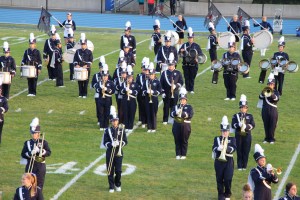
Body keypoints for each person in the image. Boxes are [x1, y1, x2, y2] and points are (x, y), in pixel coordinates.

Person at [21, 117, 51, 189]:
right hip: (30, 166)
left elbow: (49, 152)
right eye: (32, 133)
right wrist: (30, 153)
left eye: (35, 133)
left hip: (40, 166)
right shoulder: (27, 143)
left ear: (38, 133)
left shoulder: (43, 142)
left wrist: (41, 151)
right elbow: (23, 154)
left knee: (38, 186)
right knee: (28, 185)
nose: (33, 135)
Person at [103, 106, 128, 193]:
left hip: (118, 151)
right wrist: (111, 144)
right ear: (111, 121)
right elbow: (105, 142)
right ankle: (111, 186)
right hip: (110, 152)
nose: (115, 122)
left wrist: (119, 144)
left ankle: (117, 184)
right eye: (113, 120)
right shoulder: (107, 131)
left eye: (116, 120)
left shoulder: (121, 129)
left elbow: (125, 141)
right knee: (110, 170)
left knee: (118, 170)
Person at [212, 116, 236, 200]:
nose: (225, 133)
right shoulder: (217, 139)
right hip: (219, 161)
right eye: (223, 131)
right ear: (221, 131)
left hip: (229, 160)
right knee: (219, 178)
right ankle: (221, 194)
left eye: (226, 131)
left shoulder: (232, 139)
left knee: (228, 178)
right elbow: (214, 148)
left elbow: (233, 149)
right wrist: (218, 148)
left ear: (229, 131)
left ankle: (227, 194)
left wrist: (226, 148)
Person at [231, 94, 255, 170]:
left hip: (247, 135)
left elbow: (253, 125)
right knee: (239, 150)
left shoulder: (250, 116)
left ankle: (244, 165)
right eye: (242, 107)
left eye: (244, 108)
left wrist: (246, 126)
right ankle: (239, 165)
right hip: (238, 135)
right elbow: (233, 125)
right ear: (240, 108)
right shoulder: (235, 116)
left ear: (247, 108)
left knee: (246, 150)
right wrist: (239, 124)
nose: (243, 109)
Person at [160, 52, 183, 125]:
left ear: (174, 65)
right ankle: (165, 119)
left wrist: (176, 86)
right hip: (167, 92)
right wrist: (162, 92)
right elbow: (161, 83)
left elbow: (181, 82)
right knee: (166, 106)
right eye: (169, 65)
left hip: (175, 92)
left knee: (174, 106)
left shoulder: (178, 73)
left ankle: (172, 118)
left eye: (172, 65)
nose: (170, 66)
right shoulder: (164, 73)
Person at [170, 87, 193, 159]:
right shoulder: (176, 107)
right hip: (176, 124)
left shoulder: (189, 107)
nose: (182, 101)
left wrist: (182, 114)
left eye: (184, 100)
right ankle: (178, 154)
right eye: (181, 100)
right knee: (177, 139)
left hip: (185, 125)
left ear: (186, 100)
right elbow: (171, 114)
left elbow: (190, 115)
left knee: (184, 140)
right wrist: (175, 113)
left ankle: (183, 154)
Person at [179, 27, 202, 93]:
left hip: (194, 64)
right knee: (186, 76)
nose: (190, 39)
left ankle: (191, 89)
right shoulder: (184, 45)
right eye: (189, 38)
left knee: (192, 77)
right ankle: (187, 88)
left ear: (193, 38)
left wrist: (197, 59)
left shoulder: (196, 45)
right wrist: (181, 51)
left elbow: (200, 54)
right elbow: (179, 53)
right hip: (186, 63)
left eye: (191, 38)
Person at [258, 73, 280, 144]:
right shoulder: (264, 90)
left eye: (271, 84)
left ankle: (271, 138)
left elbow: (276, 99)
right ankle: (266, 138)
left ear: (274, 85)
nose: (270, 85)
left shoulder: (276, 92)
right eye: (269, 84)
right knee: (266, 124)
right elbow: (260, 97)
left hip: (273, 109)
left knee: (272, 124)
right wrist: (263, 92)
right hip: (265, 109)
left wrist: (271, 94)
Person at [95, 64, 115, 131]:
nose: (104, 78)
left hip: (108, 99)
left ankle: (106, 126)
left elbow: (113, 91)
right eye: (103, 76)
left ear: (108, 76)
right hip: (101, 99)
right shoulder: (99, 83)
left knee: (107, 112)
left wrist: (107, 89)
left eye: (106, 76)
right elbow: (97, 90)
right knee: (101, 112)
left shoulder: (111, 83)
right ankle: (101, 125)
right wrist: (101, 89)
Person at [142, 62, 161, 132]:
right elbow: (143, 90)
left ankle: (154, 127)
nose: (151, 76)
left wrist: (153, 92)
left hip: (154, 98)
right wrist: (146, 91)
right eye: (150, 75)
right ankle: (149, 127)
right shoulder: (146, 82)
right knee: (148, 112)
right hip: (147, 99)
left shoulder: (157, 82)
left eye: (152, 75)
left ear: (154, 75)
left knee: (153, 113)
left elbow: (159, 91)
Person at [73, 33, 93, 98]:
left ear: (86, 44)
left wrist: (86, 65)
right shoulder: (78, 51)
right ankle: (80, 94)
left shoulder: (89, 52)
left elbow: (91, 61)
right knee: (80, 82)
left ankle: (85, 94)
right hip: (79, 68)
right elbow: (75, 60)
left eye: (84, 44)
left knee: (86, 82)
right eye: (82, 44)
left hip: (86, 69)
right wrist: (76, 65)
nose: (83, 46)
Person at [120, 65, 138, 133]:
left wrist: (131, 91)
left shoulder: (135, 84)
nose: (129, 79)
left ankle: (130, 126)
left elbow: (137, 92)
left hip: (132, 101)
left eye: (130, 78)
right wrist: (125, 89)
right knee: (126, 113)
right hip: (125, 100)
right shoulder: (123, 84)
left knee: (131, 113)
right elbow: (121, 92)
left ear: (132, 78)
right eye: (128, 78)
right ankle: (126, 126)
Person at [222, 35, 241, 101]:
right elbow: (223, 62)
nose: (231, 48)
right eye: (229, 47)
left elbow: (239, 62)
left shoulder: (237, 54)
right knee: (227, 83)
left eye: (232, 47)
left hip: (234, 72)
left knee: (233, 84)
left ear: (234, 48)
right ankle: (228, 95)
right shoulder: (225, 54)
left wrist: (238, 66)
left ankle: (233, 96)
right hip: (226, 71)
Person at [136, 57, 150, 128]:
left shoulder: (150, 77)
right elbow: (137, 84)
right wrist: (140, 88)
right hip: (140, 94)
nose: (144, 70)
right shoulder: (139, 76)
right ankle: (141, 119)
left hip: (147, 94)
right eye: (143, 69)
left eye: (145, 69)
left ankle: (147, 120)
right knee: (141, 106)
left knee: (147, 107)